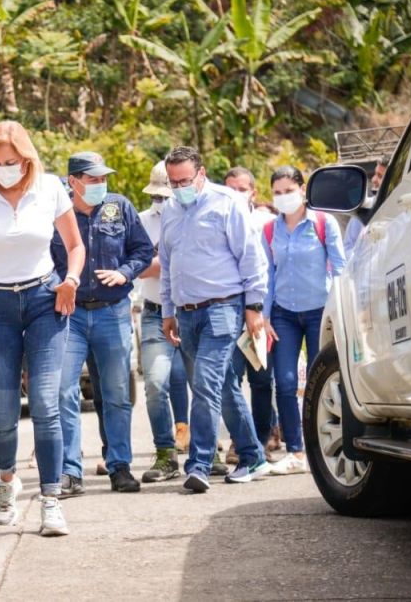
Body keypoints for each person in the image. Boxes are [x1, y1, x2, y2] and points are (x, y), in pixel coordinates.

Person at [0, 120, 85, 537]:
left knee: (47, 404)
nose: (4, 169)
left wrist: (72, 281)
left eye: (11, 162)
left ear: (26, 159)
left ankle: (50, 500)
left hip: (45, 300)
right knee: (3, 413)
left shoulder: (48, 189)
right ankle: (7, 482)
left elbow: (75, 247)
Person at [160, 146, 270, 493]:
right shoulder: (169, 210)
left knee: (206, 384)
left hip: (223, 308)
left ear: (201, 174)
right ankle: (253, 455)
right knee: (220, 387)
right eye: (173, 182)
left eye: (185, 181)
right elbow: (167, 264)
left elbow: (251, 257)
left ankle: (199, 464)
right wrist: (167, 311)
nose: (179, 188)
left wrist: (254, 306)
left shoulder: (227, 203)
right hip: (186, 313)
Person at [51, 151, 152, 495]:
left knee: (117, 394)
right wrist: (58, 282)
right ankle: (70, 471)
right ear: (73, 182)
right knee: (64, 391)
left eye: (102, 178)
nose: (100, 184)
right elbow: (42, 258)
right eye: (92, 179)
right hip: (70, 315)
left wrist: (124, 274)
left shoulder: (119, 206)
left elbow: (143, 251)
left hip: (112, 312)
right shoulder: (56, 212)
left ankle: (120, 466)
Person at [262, 166, 347, 475]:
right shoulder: (270, 230)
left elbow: (340, 269)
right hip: (283, 313)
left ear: (302, 189)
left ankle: (318, 448)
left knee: (317, 381)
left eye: (288, 190)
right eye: (278, 192)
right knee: (283, 382)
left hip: (319, 312)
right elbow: (268, 275)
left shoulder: (324, 223)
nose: (283, 197)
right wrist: (265, 315)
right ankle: (296, 452)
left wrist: (341, 312)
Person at [136, 160, 190, 482]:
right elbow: (138, 268)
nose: (162, 202)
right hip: (156, 312)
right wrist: (170, 260)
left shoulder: (197, 217)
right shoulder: (142, 222)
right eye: (157, 196)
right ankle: (165, 453)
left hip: (194, 311)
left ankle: (206, 452)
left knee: (200, 382)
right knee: (156, 384)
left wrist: (158, 260)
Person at [223, 166, 278, 460]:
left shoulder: (267, 223)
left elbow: (273, 270)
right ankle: (239, 441)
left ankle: (262, 438)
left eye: (242, 189)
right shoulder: (218, 219)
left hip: (259, 314)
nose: (235, 194)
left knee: (260, 380)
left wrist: (264, 313)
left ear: (253, 193)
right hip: (229, 311)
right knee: (230, 378)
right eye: (229, 187)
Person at [344, 154, 389, 258]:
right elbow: (347, 248)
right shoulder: (364, 208)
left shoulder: (405, 210)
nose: (373, 179)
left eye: (380, 176)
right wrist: (361, 257)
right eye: (375, 174)